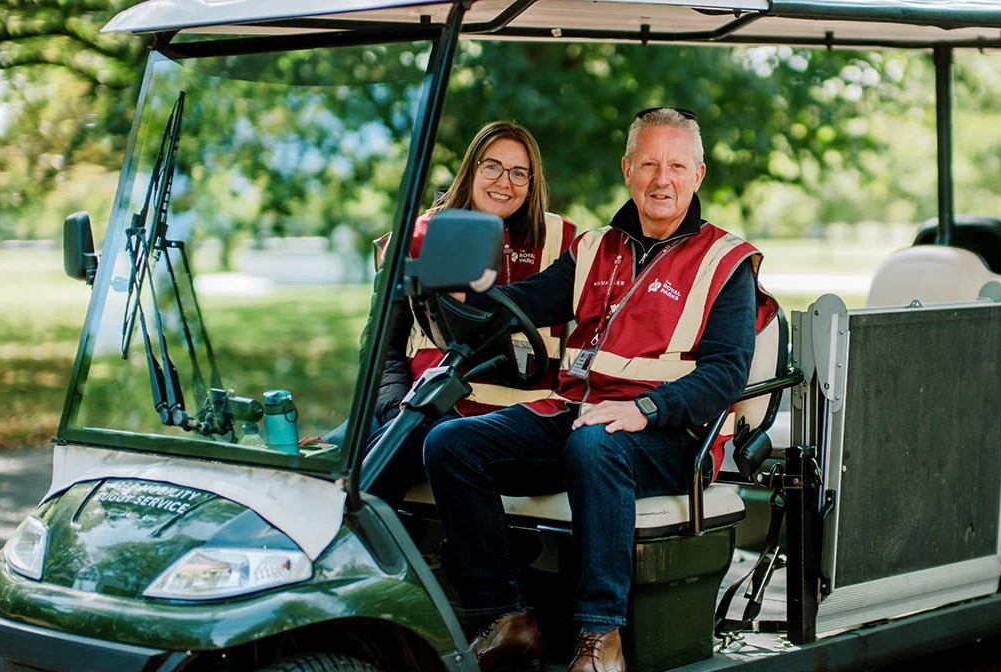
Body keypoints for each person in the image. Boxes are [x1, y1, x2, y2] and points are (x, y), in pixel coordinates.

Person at [422, 108, 776, 672]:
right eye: (650, 164)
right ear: (627, 170)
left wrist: (644, 408)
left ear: (699, 175)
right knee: (450, 443)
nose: (663, 179)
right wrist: (445, 291)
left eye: (677, 166)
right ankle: (506, 615)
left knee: (595, 442)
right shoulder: (593, 249)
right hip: (582, 415)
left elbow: (725, 376)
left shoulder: (724, 262)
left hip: (673, 436)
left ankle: (599, 637)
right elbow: (522, 304)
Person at [318, 121, 574, 502]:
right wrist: (397, 410)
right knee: (326, 461)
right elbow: (381, 350)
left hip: (505, 423)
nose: (504, 181)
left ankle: (357, 546)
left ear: (533, 182)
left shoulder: (564, 242)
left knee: (381, 461)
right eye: (492, 167)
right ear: (471, 168)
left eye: (519, 172)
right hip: (420, 404)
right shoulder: (422, 235)